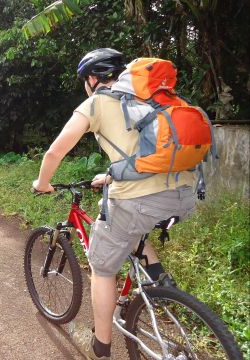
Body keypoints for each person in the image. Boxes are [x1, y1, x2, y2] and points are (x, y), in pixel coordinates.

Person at [31, 48, 196, 360]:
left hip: (140, 200)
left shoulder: (97, 103)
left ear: (93, 79)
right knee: (133, 229)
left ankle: (101, 347)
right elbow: (146, 153)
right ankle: (160, 283)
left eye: (85, 81)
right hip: (184, 195)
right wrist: (109, 175)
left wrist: (42, 183)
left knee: (102, 267)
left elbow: (54, 152)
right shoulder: (151, 99)